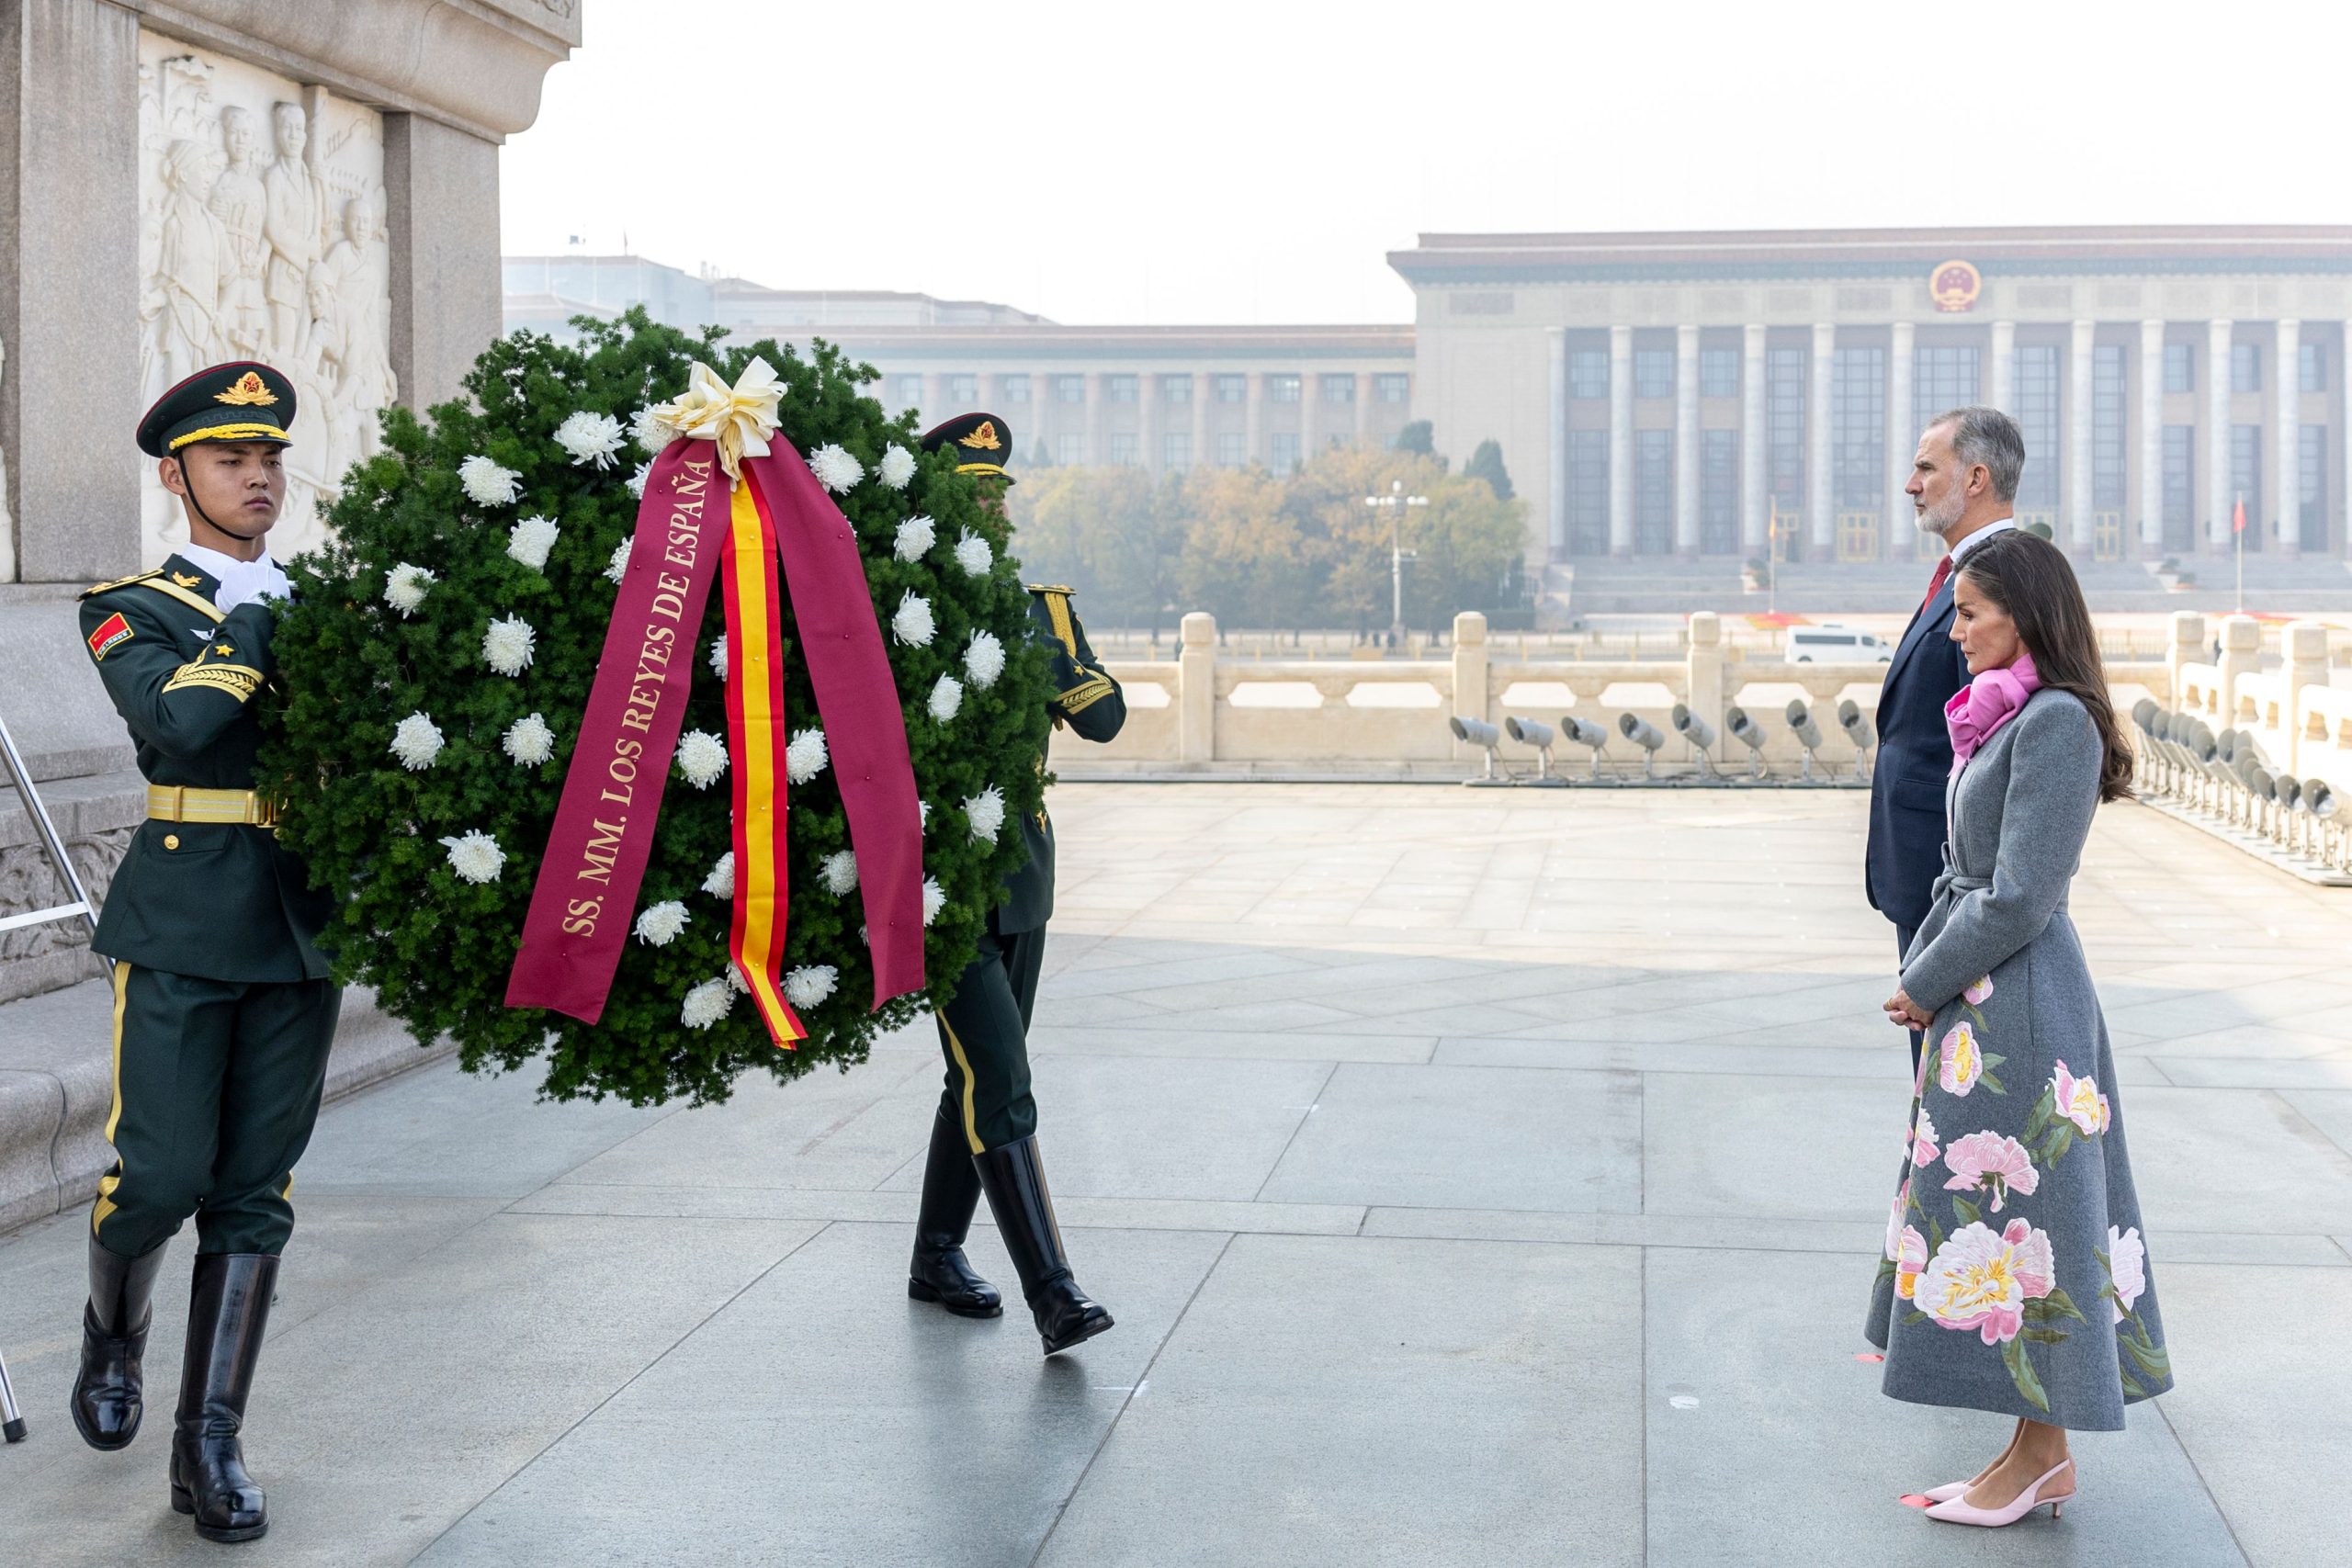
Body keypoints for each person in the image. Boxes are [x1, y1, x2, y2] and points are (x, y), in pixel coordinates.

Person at [70, 361, 340, 1544]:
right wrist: (261, 616)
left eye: (271, 458)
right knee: (159, 1178)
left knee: (254, 1194)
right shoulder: (129, 602)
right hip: (181, 921)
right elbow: (178, 720)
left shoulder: (330, 596)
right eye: (233, 461)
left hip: (298, 922)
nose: (260, 478)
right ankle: (112, 1332)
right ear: (179, 476)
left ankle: (209, 1445)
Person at [1867, 528, 2172, 1528]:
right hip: (1984, 1000)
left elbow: (2019, 898)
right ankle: (2031, 1455)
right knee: (2006, 1218)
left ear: (2024, 616)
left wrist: (1922, 978)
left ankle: (2039, 1458)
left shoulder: (2055, 725)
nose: (1953, 633)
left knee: (2029, 1220)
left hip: (2023, 1003)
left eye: (1970, 613)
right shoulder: (2009, 717)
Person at [903, 411, 1125, 1356]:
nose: (994, 502)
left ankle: (935, 1255)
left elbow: (1106, 719)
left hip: (1022, 874)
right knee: (1000, 1073)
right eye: (974, 488)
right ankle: (1055, 1292)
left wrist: (1061, 668)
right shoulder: (904, 607)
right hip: (937, 878)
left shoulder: (1041, 609)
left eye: (999, 488)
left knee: (976, 1074)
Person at [1867, 406, 2020, 1073]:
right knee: (1938, 1079)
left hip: (1951, 881)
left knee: (1955, 1080)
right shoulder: (1966, 570)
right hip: (1928, 870)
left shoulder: (2004, 578)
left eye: (1927, 467)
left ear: (1977, 478)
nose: (1911, 484)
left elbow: (1997, 736)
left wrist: (1973, 900)